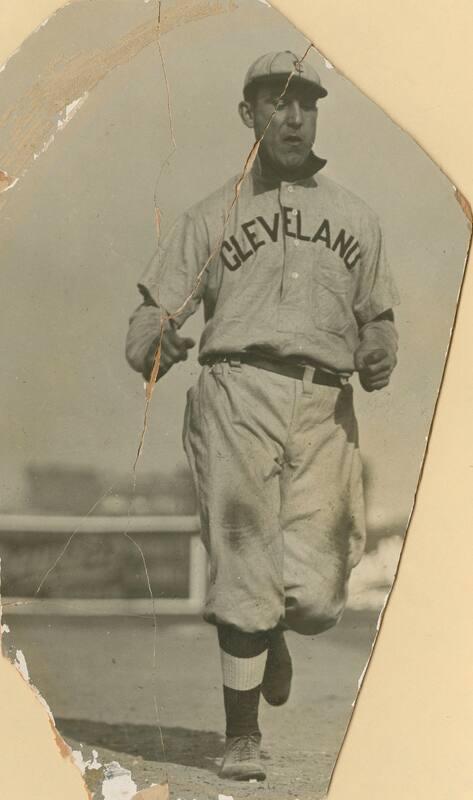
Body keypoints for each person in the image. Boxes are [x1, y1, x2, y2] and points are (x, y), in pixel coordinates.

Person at [126, 51, 399, 782]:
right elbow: (155, 308)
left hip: (322, 403)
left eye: (304, 102)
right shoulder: (211, 214)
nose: (292, 115)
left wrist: (378, 350)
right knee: (244, 559)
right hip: (235, 389)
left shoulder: (354, 216)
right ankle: (240, 735)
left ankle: (275, 628)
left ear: (315, 113)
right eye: (275, 102)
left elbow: (379, 317)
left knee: (314, 595)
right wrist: (153, 340)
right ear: (248, 115)